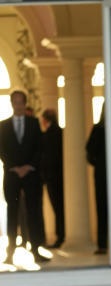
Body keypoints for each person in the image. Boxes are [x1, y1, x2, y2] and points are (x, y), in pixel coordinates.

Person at [0, 90, 47, 263]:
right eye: (15, 102)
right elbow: (2, 150)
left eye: (21, 102)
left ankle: (35, 250)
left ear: (25, 104)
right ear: (12, 104)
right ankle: (10, 253)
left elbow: (39, 148)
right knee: (12, 213)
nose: (18, 106)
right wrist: (14, 167)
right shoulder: (3, 126)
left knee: (33, 212)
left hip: (31, 175)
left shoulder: (34, 123)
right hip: (12, 175)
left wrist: (28, 167)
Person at [40, 108, 65, 250]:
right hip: (58, 176)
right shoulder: (60, 132)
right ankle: (60, 235)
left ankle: (60, 236)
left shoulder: (48, 135)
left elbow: (47, 157)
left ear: (45, 120)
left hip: (52, 177)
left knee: (58, 207)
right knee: (59, 208)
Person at [85, 115, 108, 254]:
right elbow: (89, 152)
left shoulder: (100, 128)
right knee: (102, 208)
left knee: (104, 208)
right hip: (102, 175)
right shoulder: (98, 129)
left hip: (105, 175)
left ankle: (103, 244)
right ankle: (102, 244)